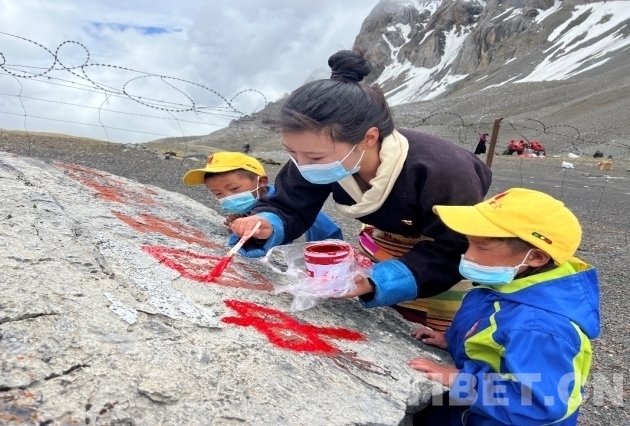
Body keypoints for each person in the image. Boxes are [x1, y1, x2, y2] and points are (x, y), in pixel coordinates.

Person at [229, 50, 492, 330]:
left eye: (315, 157)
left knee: (429, 333)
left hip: (443, 261)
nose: (302, 165)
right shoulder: (314, 154)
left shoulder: (444, 173)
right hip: (381, 245)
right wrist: (266, 223)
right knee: (386, 322)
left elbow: (455, 246)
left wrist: (380, 281)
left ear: (368, 138)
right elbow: (289, 204)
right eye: (291, 152)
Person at [408, 188, 599, 425]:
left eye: (481, 247)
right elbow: (491, 339)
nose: (468, 255)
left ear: (536, 257)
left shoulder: (540, 327)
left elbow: (538, 403)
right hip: (468, 409)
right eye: (469, 243)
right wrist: (451, 340)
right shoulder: (507, 284)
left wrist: (463, 381)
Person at [183, 151, 343, 241]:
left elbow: (294, 236)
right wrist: (240, 223)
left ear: (261, 182)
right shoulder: (251, 207)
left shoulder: (291, 206)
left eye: (234, 188)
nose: (228, 197)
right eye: (218, 193)